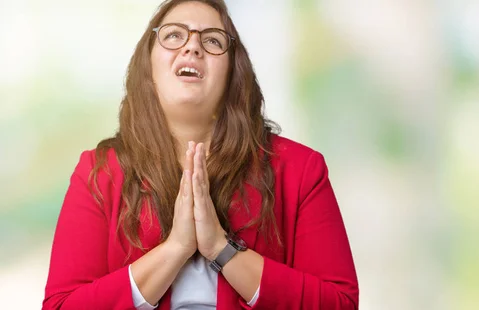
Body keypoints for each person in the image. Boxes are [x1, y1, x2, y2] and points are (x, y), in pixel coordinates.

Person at [42, 0, 359, 309]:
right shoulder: (99, 172)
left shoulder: (300, 169)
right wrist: (176, 249)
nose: (192, 47)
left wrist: (220, 247)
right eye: (174, 35)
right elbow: (61, 306)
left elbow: (340, 304)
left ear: (234, 73)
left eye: (212, 40)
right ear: (147, 69)